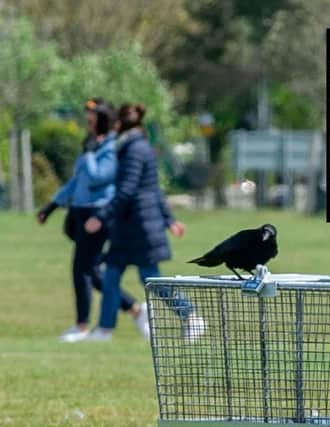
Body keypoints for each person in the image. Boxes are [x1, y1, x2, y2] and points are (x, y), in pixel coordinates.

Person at [84, 103, 205, 341]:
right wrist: (169, 219)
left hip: (140, 226)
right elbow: (155, 189)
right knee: (111, 276)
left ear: (120, 124)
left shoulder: (135, 149)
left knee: (150, 278)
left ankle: (191, 316)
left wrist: (101, 217)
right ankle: (104, 330)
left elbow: (128, 190)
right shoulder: (133, 146)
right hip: (128, 227)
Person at [37, 100, 149, 343]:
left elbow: (100, 176)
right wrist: (52, 205)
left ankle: (82, 326)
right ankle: (136, 310)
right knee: (93, 272)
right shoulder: (92, 144)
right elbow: (77, 181)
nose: (87, 123)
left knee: (81, 269)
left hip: (98, 215)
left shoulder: (110, 146)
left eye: (91, 119)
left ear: (103, 119)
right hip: (80, 213)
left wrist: (89, 153)